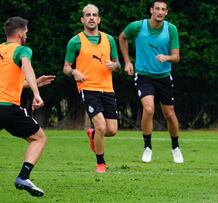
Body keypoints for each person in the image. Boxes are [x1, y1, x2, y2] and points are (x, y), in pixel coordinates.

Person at [119, 0, 184, 163]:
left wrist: (166, 57)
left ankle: (175, 147)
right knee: (148, 110)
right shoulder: (137, 26)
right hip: (143, 76)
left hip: (163, 77)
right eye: (157, 9)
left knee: (169, 114)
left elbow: (176, 57)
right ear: (151, 10)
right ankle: (147, 147)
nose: (160, 12)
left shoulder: (171, 29)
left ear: (166, 12)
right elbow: (122, 37)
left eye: (163, 9)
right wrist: (127, 61)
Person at [0, 16, 54, 197]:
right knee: (39, 138)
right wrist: (36, 94)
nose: (27, 36)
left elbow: (9, 82)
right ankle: (23, 177)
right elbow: (27, 67)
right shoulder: (22, 50)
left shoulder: (1, 50)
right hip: (7, 109)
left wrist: (35, 83)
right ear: (21, 33)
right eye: (27, 33)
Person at [63, 4, 120, 173]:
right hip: (88, 88)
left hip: (107, 89)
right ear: (82, 19)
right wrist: (74, 72)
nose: (91, 17)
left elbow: (117, 64)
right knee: (101, 127)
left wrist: (114, 65)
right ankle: (101, 163)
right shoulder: (75, 41)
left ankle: (92, 134)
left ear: (99, 19)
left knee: (111, 130)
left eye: (94, 15)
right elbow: (66, 67)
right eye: (88, 15)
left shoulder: (109, 39)